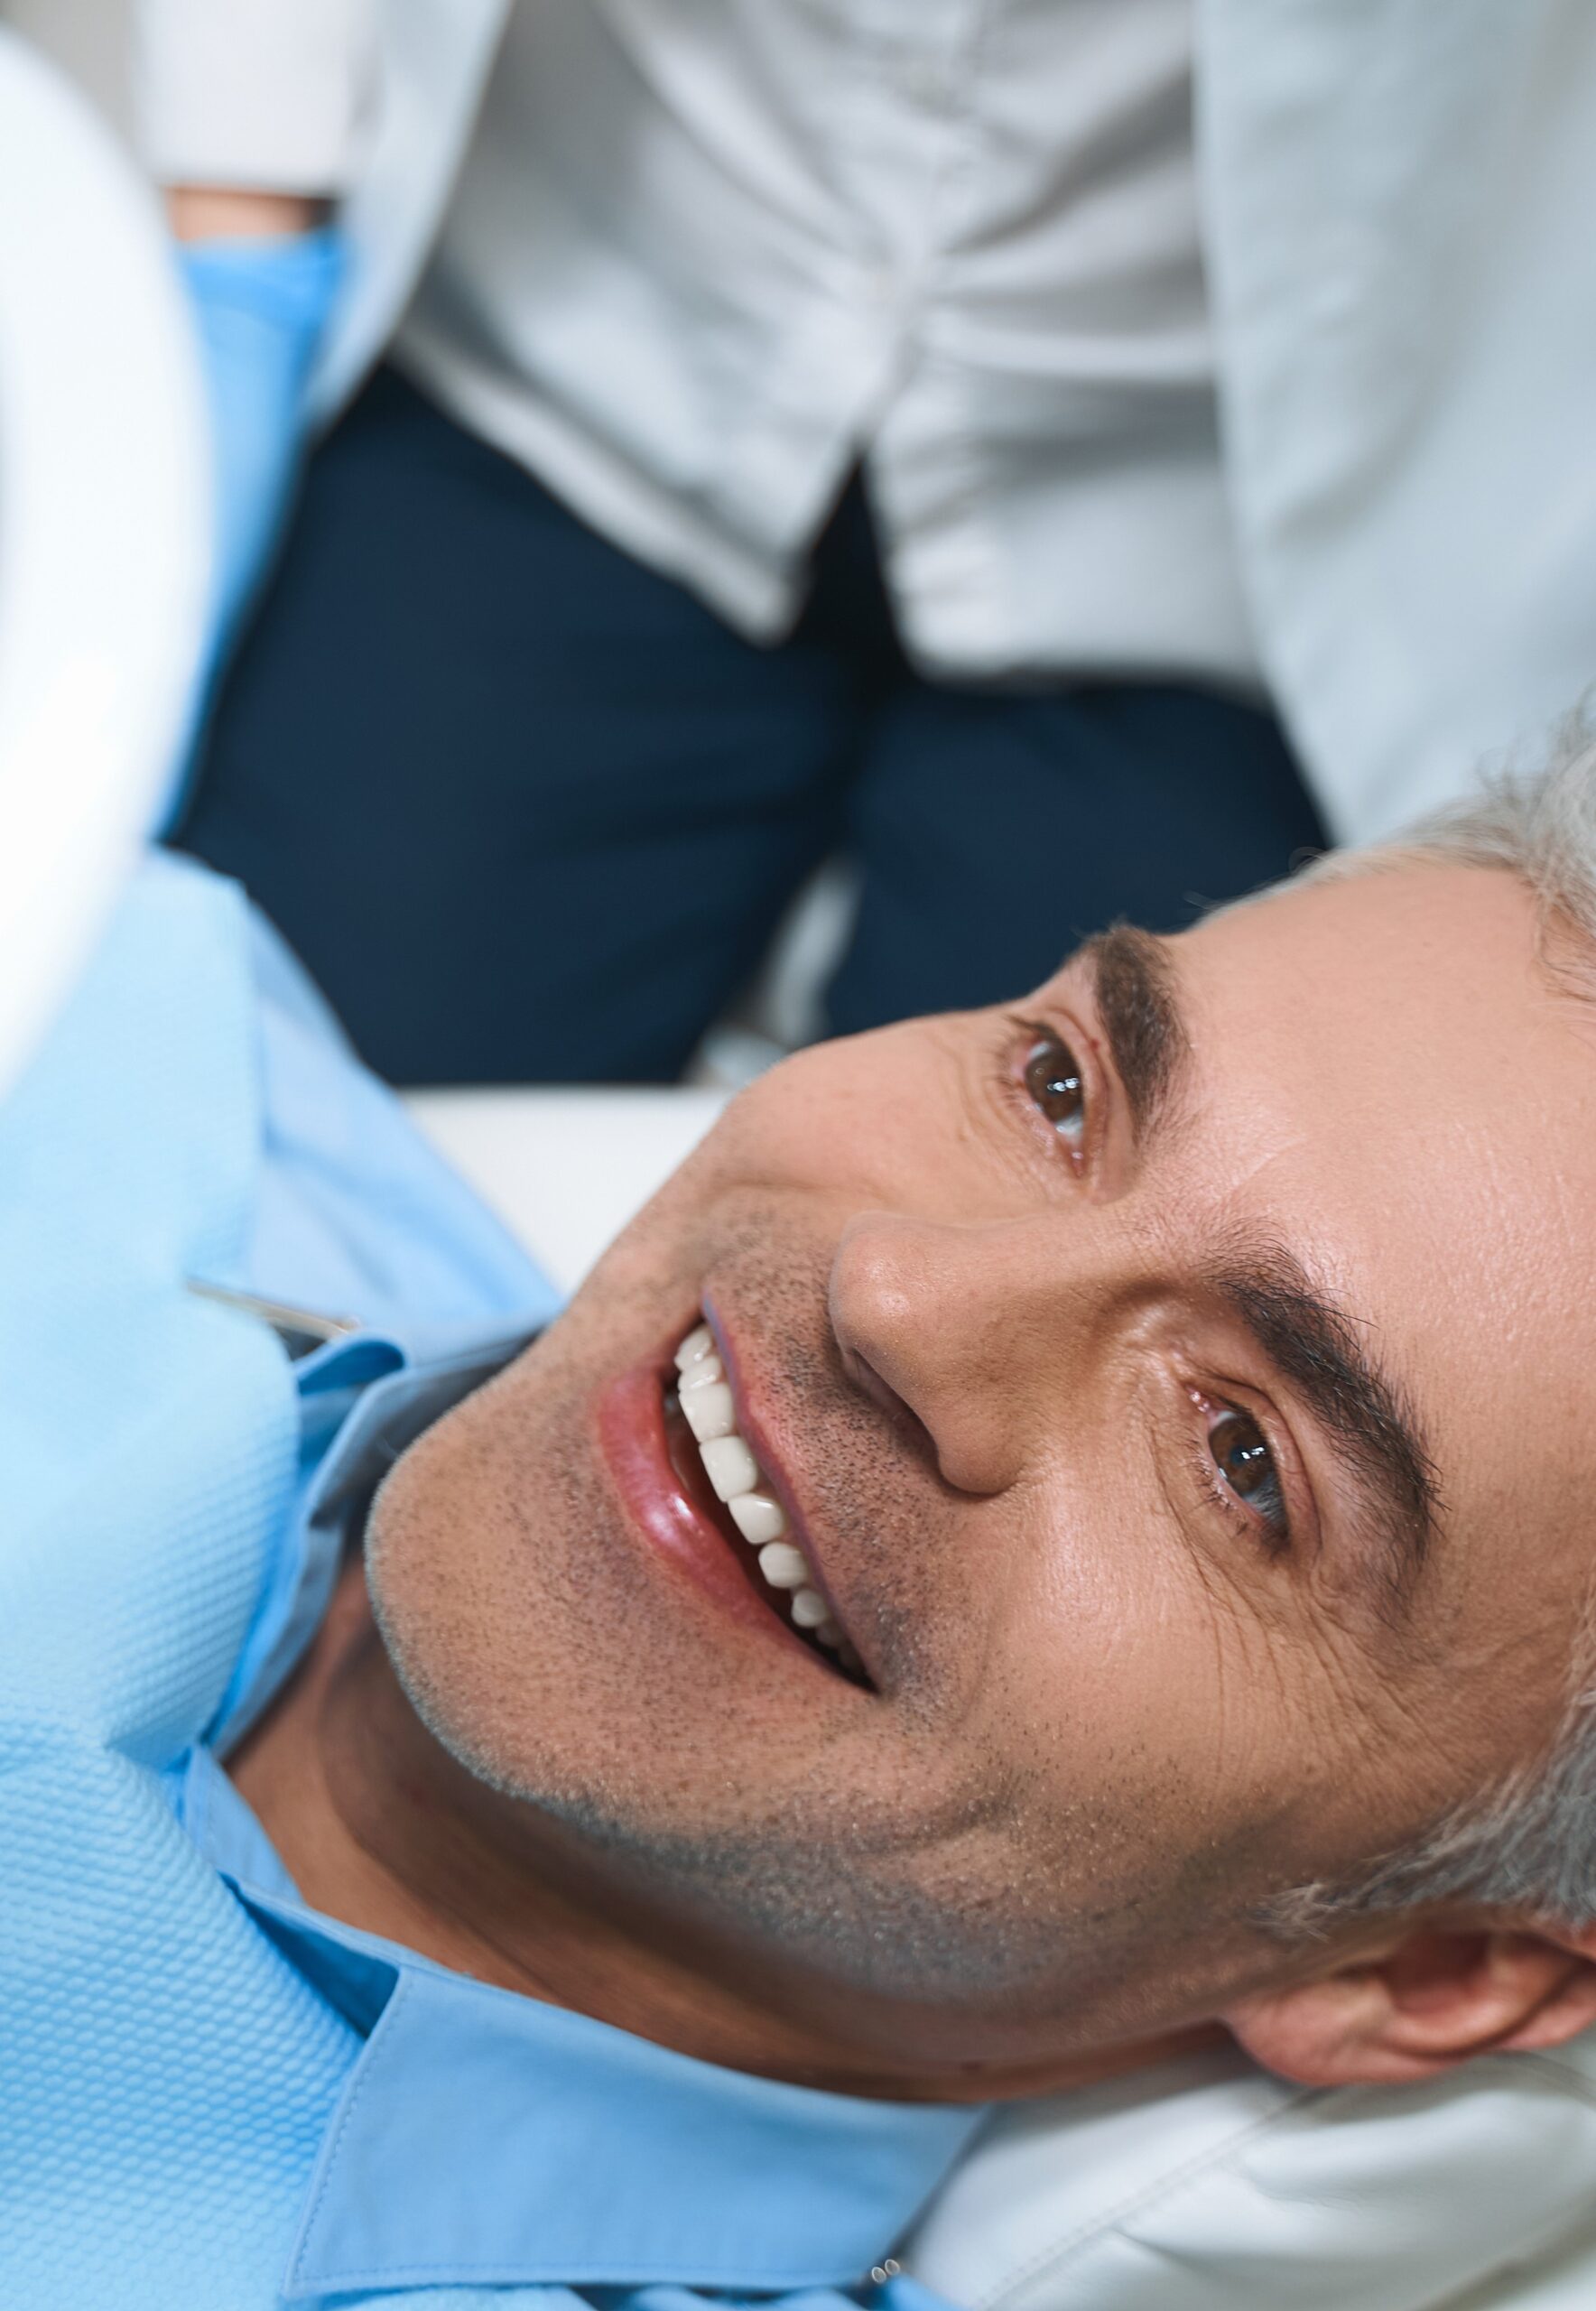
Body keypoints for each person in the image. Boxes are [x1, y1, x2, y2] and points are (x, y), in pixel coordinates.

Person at [10, 720, 1596, 2306]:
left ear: (1423, 1973)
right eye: (1062, 1089)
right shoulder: (124, 1021)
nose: (899, 1290)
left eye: (1242, 1459)